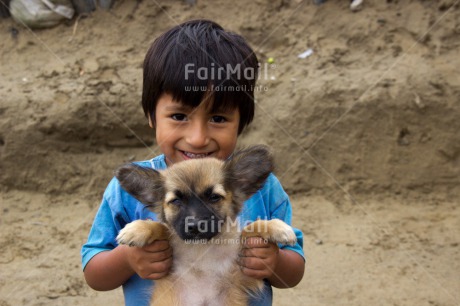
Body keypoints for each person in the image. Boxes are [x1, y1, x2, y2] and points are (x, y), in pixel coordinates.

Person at [81, 19, 305, 306]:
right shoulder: (127, 191)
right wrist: (128, 257)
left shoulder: (264, 189)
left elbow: (294, 269)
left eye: (218, 118)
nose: (198, 138)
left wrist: (273, 260)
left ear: (242, 123)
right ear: (151, 116)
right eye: (179, 116)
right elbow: (94, 274)